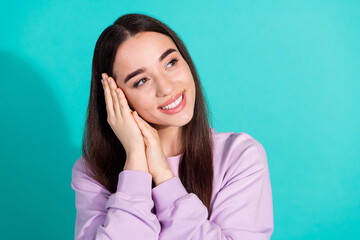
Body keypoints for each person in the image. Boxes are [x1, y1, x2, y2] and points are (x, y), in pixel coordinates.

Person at [71, 13, 274, 240]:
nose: (166, 88)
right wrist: (136, 160)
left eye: (171, 63)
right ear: (114, 97)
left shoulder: (239, 156)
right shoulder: (92, 173)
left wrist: (163, 176)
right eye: (141, 80)